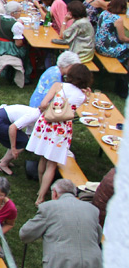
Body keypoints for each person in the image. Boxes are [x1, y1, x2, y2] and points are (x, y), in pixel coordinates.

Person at [20, 179, 103, 268]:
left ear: (55, 193)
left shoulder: (48, 207)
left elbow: (25, 234)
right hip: (91, 265)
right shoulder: (92, 210)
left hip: (62, 265)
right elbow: (97, 237)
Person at [27, 65, 92, 205]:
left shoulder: (58, 86)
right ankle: (41, 197)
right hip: (62, 130)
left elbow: (44, 103)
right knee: (52, 164)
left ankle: (40, 189)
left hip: (46, 125)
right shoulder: (81, 96)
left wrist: (51, 110)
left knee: (43, 158)